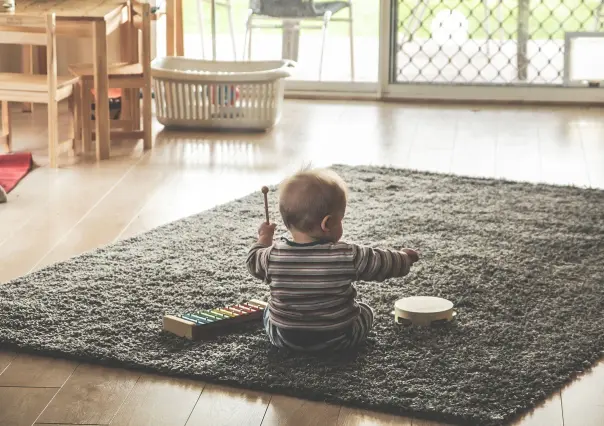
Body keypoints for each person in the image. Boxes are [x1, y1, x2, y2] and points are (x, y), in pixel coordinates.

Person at [247, 168, 419, 352]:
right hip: (338, 338)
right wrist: (404, 258)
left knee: (268, 311)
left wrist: (264, 237)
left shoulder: (271, 256)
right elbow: (381, 262)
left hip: (284, 338)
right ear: (327, 224)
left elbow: (252, 260)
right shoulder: (347, 255)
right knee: (366, 311)